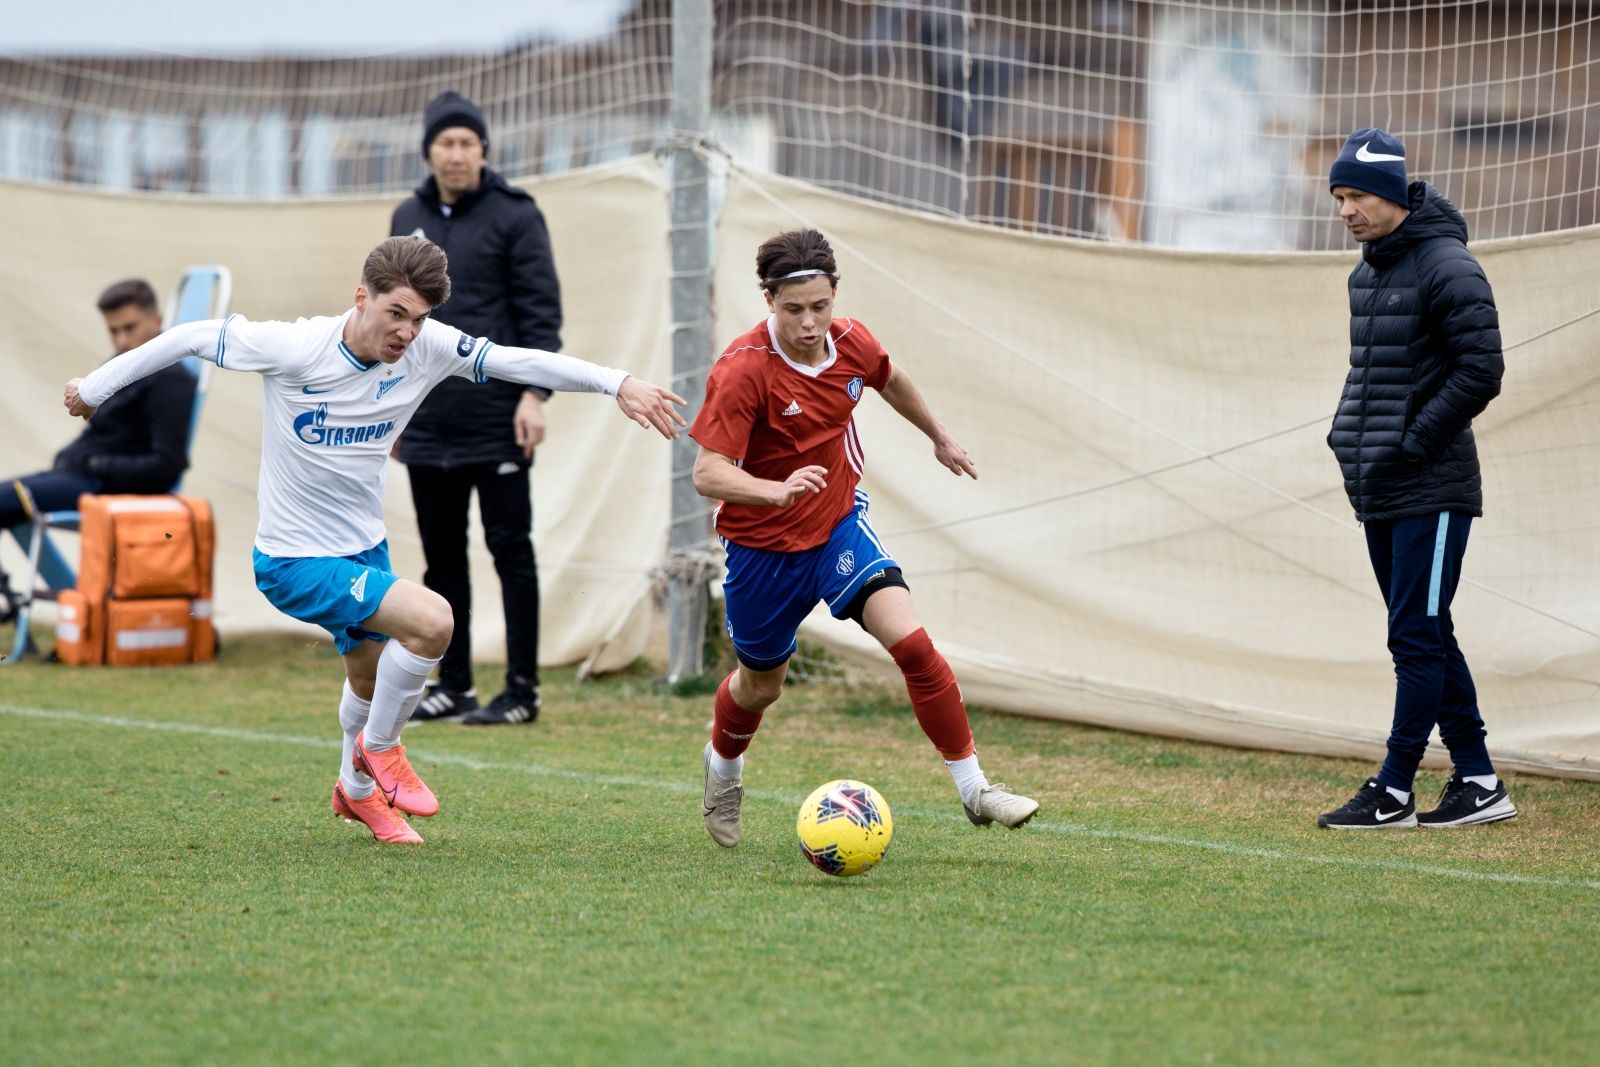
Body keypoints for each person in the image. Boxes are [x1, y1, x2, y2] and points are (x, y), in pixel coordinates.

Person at [63, 236, 685, 844]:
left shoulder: (427, 346)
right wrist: (95, 388)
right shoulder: (296, 345)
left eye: (419, 319)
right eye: (396, 314)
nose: (407, 333)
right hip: (291, 559)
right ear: (361, 297)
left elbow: (515, 359)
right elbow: (192, 336)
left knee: (368, 678)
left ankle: (354, 793)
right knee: (434, 621)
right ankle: (379, 756)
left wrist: (617, 382)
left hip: (362, 547)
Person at [688, 228, 1039, 848]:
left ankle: (976, 791)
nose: (809, 323)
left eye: (820, 307)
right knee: (761, 685)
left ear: (834, 297)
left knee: (912, 645)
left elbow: (890, 376)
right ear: (768, 300)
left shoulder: (851, 341)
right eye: (794, 309)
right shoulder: (744, 371)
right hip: (761, 548)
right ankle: (724, 770)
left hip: (835, 527)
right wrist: (774, 490)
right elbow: (706, 473)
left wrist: (940, 435)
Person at [1318, 128, 1515, 830]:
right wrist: (1348, 437)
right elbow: (1368, 377)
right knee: (1426, 630)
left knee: (1416, 636)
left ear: (1397, 193)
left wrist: (1412, 441)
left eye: (1359, 194)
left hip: (1431, 485)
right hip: (1380, 484)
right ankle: (1481, 780)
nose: (1346, 209)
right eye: (1339, 196)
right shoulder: (1366, 272)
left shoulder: (1448, 264)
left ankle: (1394, 788)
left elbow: (1481, 371)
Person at [391, 91, 558, 727]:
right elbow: (390, 321)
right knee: (441, 557)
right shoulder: (407, 213)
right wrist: (393, 409)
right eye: (445, 143)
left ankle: (521, 691)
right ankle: (453, 684)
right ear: (429, 152)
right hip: (428, 421)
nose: (456, 154)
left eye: (467, 143)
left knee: (510, 550)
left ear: (483, 151)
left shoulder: (517, 215)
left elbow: (542, 314)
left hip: (497, 419)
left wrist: (533, 395)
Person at [3, 278, 195, 529]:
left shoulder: (170, 379)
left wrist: (97, 464)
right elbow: (98, 432)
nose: (122, 341)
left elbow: (167, 465)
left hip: (110, 489)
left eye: (130, 327)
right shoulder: (120, 366)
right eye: (113, 331)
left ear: (157, 321)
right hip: (80, 476)